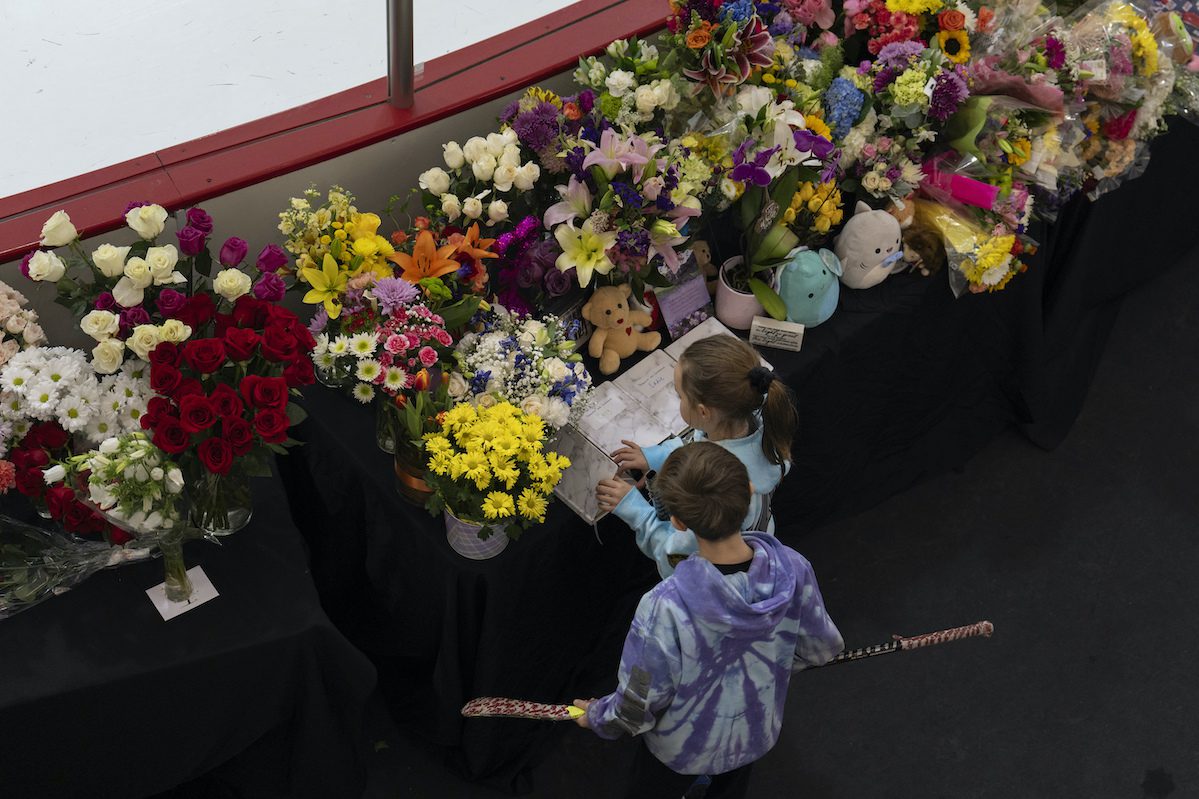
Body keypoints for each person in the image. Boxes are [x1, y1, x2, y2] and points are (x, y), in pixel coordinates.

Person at [576, 442, 843, 799]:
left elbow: (637, 704)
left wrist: (597, 717)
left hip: (681, 751)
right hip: (754, 733)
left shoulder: (663, 607)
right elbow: (822, 648)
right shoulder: (794, 568)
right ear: (748, 491)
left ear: (678, 521)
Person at [596, 335, 797, 579]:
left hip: (718, 577)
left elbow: (676, 555)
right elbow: (701, 440)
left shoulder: (715, 486)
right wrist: (656, 457)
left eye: (680, 396)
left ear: (703, 411)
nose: (679, 400)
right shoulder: (755, 414)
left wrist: (634, 509)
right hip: (758, 539)